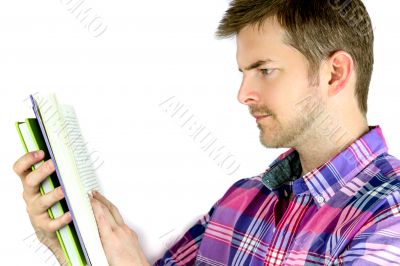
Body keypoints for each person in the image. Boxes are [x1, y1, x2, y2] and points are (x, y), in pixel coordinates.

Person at [13, 0, 400, 265]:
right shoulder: (241, 202)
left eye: (265, 70)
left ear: (334, 73)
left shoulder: (389, 216)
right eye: (243, 72)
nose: (243, 94)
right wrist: (69, 242)